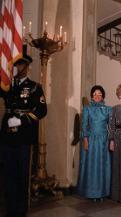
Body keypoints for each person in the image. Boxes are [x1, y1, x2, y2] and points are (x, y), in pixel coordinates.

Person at [0, 52, 47, 217]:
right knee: (8, 173)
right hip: (7, 135)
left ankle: (20, 210)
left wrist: (21, 120)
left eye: (20, 64)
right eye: (15, 64)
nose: (17, 67)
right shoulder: (7, 85)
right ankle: (10, 208)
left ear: (27, 66)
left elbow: (42, 110)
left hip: (23, 136)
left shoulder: (34, 87)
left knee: (22, 174)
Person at [77, 85, 112, 201]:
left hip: (103, 141)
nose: (97, 96)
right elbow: (84, 126)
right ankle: (91, 193)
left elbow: (111, 127)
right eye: (95, 94)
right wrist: (85, 140)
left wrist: (111, 140)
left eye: (100, 94)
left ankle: (102, 193)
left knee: (103, 166)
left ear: (103, 96)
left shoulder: (108, 109)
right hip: (91, 140)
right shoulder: (87, 108)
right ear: (92, 96)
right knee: (91, 166)